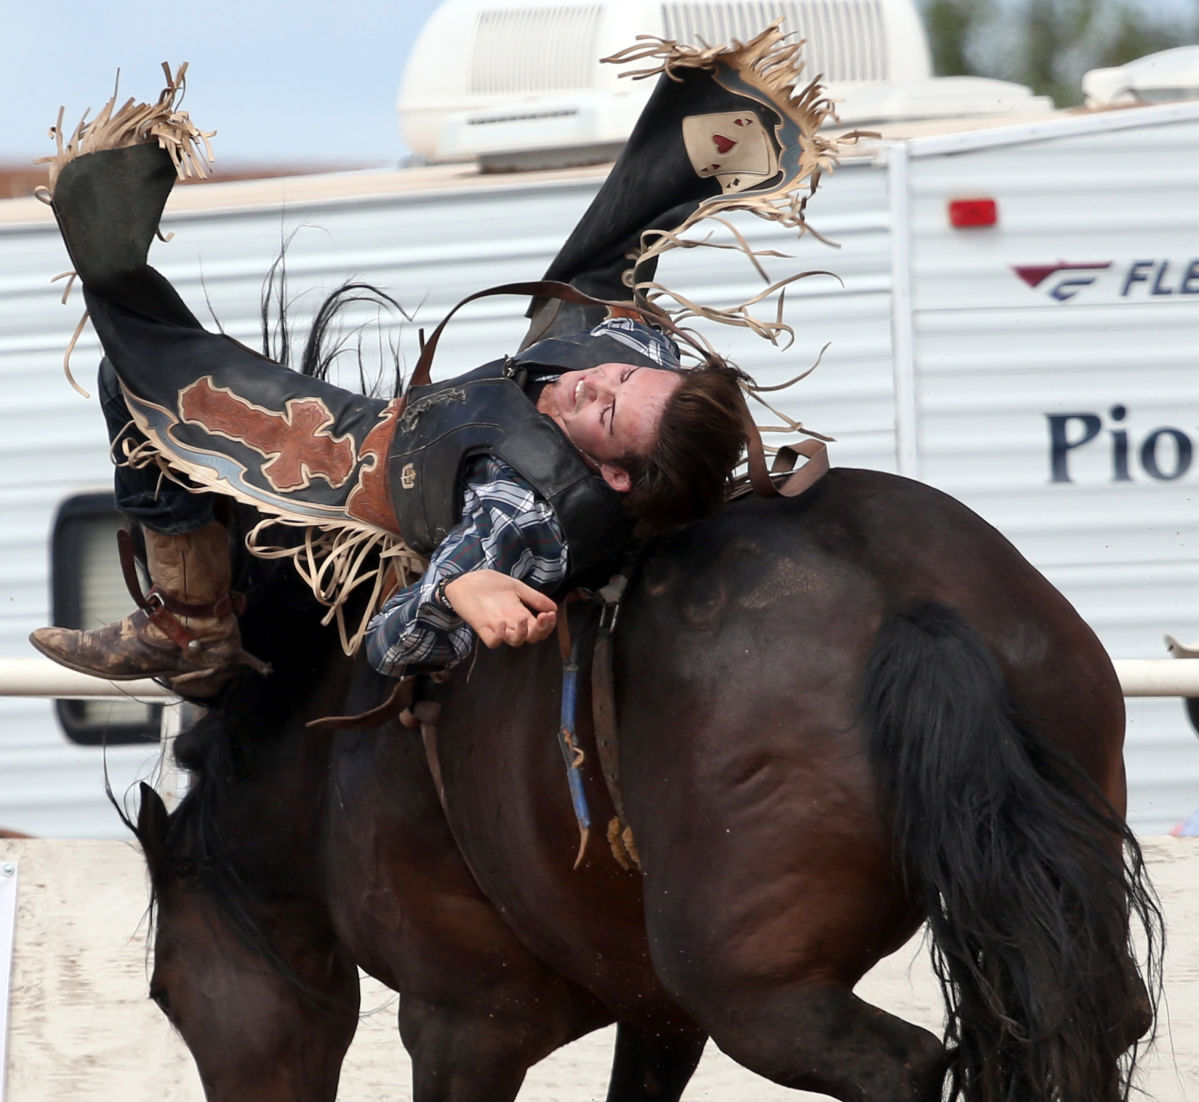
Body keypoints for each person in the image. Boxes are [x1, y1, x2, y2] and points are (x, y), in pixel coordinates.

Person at [29, 30, 834, 691]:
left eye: (607, 410)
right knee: (608, 267)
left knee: (141, 377)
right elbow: (621, 343)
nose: (592, 382)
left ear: (613, 476)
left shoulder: (519, 513)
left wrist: (459, 585)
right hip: (515, 400)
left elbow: (391, 643)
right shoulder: (639, 354)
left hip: (369, 454)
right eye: (621, 379)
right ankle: (719, 128)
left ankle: (192, 622)